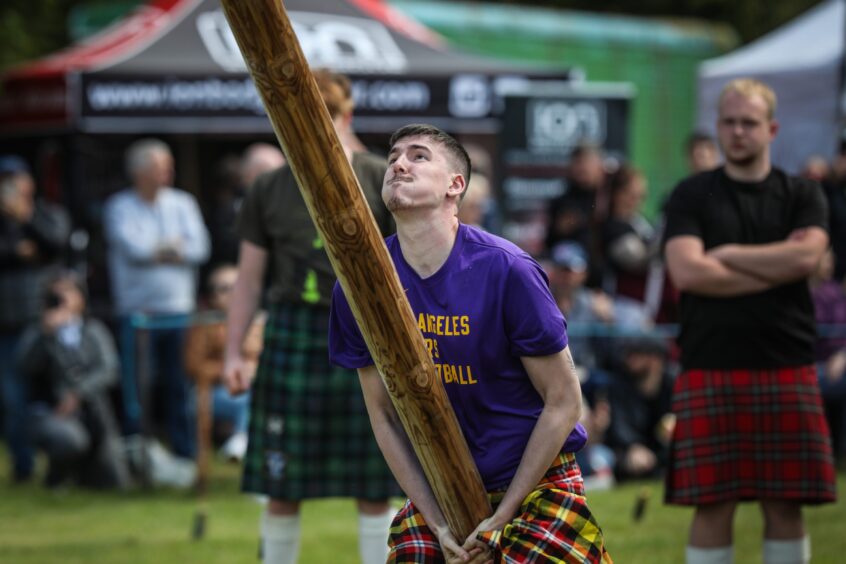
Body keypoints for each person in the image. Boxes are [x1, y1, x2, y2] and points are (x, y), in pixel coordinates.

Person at [329, 124, 612, 563]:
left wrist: (502, 516)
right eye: (393, 158)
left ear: (455, 185)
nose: (399, 163)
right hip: (440, 488)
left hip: (534, 481)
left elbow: (564, 400)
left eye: (419, 156)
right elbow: (383, 415)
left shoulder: (508, 270)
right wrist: (437, 520)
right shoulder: (361, 283)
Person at [223, 69, 399, 564]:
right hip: (293, 334)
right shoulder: (269, 189)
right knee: (282, 484)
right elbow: (249, 279)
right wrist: (235, 351)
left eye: (327, 116)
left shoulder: (378, 178)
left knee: (374, 483)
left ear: (348, 115)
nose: (316, 128)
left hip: (366, 334)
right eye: (303, 117)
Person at [663, 78, 836, 564]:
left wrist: (732, 254)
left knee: (786, 503)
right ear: (717, 127)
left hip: (786, 362)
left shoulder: (803, 194)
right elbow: (687, 271)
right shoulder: (691, 194)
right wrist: (776, 268)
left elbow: (806, 259)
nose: (738, 132)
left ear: (772, 128)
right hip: (708, 362)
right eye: (729, 122)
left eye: (749, 123)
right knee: (711, 503)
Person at [103, 138, 210, 465]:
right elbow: (134, 250)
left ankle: (184, 453)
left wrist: (157, 249)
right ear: (138, 171)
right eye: (159, 166)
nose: (168, 172)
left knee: (179, 384)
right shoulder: (119, 206)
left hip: (178, 311)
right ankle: (138, 456)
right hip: (139, 315)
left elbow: (199, 249)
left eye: (167, 165)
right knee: (139, 388)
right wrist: (172, 248)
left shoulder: (183, 203)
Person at [17, 270, 130, 489]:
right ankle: (57, 476)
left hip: (94, 412)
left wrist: (78, 394)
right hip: (51, 411)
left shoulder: (94, 330)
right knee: (69, 439)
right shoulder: (39, 331)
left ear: (81, 297)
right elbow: (24, 367)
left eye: (68, 292)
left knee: (115, 483)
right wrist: (46, 333)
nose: (63, 299)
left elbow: (109, 370)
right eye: (55, 295)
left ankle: (82, 473)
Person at [0, 155, 71, 482]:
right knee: (14, 398)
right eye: (5, 181)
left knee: (58, 395)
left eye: (17, 179)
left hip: (47, 322)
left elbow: (56, 244)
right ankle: (24, 465)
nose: (12, 187)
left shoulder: (46, 213)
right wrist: (19, 250)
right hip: (7, 324)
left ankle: (63, 467)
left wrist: (26, 219)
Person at [185, 264, 261, 461]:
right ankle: (241, 443)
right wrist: (231, 371)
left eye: (237, 287)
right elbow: (193, 365)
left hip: (254, 388)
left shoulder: (258, 322)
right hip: (214, 391)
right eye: (225, 288)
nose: (233, 294)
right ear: (213, 296)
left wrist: (255, 370)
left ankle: (242, 444)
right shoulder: (205, 324)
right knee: (247, 399)